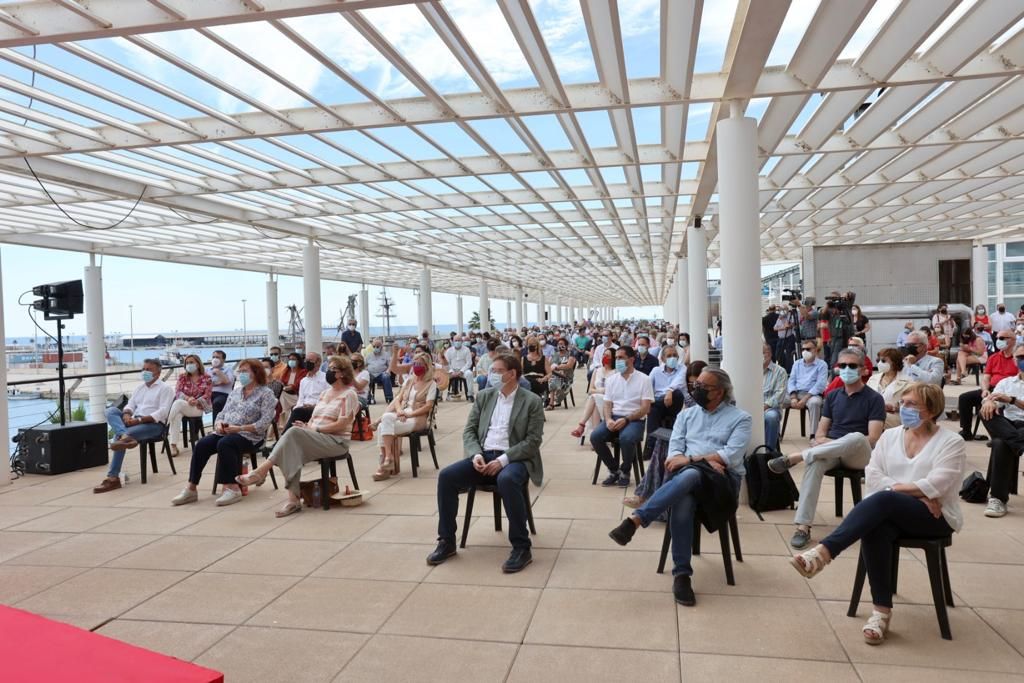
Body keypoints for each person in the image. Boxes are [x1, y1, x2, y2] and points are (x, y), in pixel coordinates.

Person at [789, 383, 966, 645]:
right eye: (902, 402)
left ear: (930, 410)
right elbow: (872, 475)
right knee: (876, 525)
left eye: (911, 404)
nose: (902, 408)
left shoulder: (952, 442)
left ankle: (824, 553)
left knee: (883, 501)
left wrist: (899, 491)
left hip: (934, 518)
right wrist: (915, 492)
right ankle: (881, 612)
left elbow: (940, 483)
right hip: (895, 510)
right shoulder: (891, 436)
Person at [608, 368, 751, 606]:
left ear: (719, 392)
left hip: (722, 484)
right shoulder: (686, 416)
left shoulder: (741, 418)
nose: (696, 390)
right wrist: (704, 460)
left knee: (691, 474)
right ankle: (682, 575)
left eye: (703, 387)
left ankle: (636, 521)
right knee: (686, 493)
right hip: (689, 476)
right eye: (695, 385)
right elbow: (674, 450)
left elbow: (731, 456)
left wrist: (692, 459)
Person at [427, 353, 545, 573]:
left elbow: (533, 441)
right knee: (447, 477)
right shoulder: (484, 397)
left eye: (497, 371)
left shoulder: (532, 401)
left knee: (507, 479)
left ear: (512, 374)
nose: (492, 374)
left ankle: (522, 547)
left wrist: (503, 460)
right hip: (483, 456)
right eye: (492, 370)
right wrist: (475, 455)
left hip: (514, 458)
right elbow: (470, 431)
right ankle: (447, 541)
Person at [769, 347, 886, 549]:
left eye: (852, 366)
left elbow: (872, 438)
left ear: (863, 369)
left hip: (858, 453)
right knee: (814, 462)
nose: (846, 369)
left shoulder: (874, 399)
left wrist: (828, 443)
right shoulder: (832, 396)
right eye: (843, 366)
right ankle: (803, 527)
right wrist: (827, 443)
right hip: (831, 450)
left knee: (856, 437)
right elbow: (821, 433)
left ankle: (797, 456)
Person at [237, 355, 360, 517]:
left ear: (342, 374)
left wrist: (315, 430)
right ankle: (292, 500)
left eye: (332, 369)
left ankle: (261, 472)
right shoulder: (324, 393)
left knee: (293, 434)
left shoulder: (349, 394)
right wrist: (308, 427)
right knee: (292, 446)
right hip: (318, 436)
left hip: (336, 441)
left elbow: (342, 424)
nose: (328, 372)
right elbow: (316, 420)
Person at [171, 359, 277, 506]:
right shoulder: (235, 392)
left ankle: (232, 489)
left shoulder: (266, 394)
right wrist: (218, 424)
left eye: (245, 371)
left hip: (250, 436)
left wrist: (239, 428)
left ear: (256, 373)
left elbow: (264, 423)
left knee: (225, 444)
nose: (241, 374)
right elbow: (222, 413)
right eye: (240, 371)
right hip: (226, 431)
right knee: (202, 444)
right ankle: (191, 488)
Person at [93, 359, 174, 494]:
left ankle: (113, 477)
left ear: (158, 373)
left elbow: (163, 412)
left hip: (154, 425)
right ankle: (124, 434)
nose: (145, 372)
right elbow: (130, 405)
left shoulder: (165, 389)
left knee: (119, 438)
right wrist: (126, 415)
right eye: (144, 369)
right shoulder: (139, 388)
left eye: (149, 370)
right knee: (110, 411)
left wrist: (139, 420)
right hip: (134, 421)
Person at [591, 345, 654, 488]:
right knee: (595, 437)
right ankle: (614, 470)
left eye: (621, 358)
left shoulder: (644, 379)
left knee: (627, 438)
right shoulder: (612, 380)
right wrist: (608, 419)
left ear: (631, 359)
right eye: (616, 358)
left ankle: (625, 471)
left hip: (635, 419)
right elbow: (607, 404)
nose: (617, 360)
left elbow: (645, 408)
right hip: (614, 416)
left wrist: (626, 419)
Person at [371, 352, 438, 481]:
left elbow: (428, 406)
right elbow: (397, 399)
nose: (416, 366)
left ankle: (384, 464)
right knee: (383, 423)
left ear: (427, 366)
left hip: (418, 418)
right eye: (415, 363)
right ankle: (388, 459)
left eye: (420, 364)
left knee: (383, 424)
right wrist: (400, 411)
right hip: (403, 415)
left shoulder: (431, 384)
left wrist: (409, 414)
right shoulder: (410, 380)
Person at [977, 344, 1024, 518]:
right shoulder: (1006, 382)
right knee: (986, 413)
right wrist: (989, 402)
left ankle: (997, 498)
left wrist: (1012, 400)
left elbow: (1009, 400)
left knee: (1000, 443)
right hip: (1009, 425)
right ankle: (1019, 445)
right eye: (1019, 357)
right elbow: (992, 400)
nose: (1022, 361)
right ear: (1014, 359)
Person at [957, 328, 1017, 441]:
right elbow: (986, 377)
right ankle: (966, 431)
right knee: (964, 398)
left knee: (994, 407)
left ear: (1013, 340)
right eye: (998, 338)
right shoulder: (993, 357)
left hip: (1008, 391)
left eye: (1002, 338)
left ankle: (999, 436)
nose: (999, 340)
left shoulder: (1018, 358)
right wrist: (985, 389)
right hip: (991, 389)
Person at [167, 354, 212, 456]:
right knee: (177, 415)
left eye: (191, 362)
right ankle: (173, 446)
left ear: (198, 363)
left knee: (178, 404)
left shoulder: (207, 378)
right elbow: (178, 392)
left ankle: (165, 423)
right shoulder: (182, 377)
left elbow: (208, 395)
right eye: (187, 363)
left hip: (197, 408)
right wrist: (188, 398)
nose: (189, 364)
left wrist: (197, 401)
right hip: (185, 405)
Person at [786, 339, 828, 440]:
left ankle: (813, 435)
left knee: (815, 403)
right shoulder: (797, 363)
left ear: (815, 350)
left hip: (812, 395)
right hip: (796, 393)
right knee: (777, 400)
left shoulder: (822, 365)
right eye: (803, 349)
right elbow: (791, 381)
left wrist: (804, 399)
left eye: (808, 349)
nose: (805, 351)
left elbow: (820, 385)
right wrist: (793, 397)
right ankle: (776, 433)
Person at [571, 347, 616, 439]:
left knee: (594, 398)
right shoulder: (597, 370)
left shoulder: (616, 373)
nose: (605, 356)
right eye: (604, 354)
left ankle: (582, 426)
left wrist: (603, 392)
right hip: (597, 398)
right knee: (595, 399)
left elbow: (615, 391)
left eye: (607, 355)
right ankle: (595, 436)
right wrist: (601, 391)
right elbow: (590, 390)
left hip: (609, 401)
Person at [647, 345, 686, 437]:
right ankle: (651, 444)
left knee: (677, 393)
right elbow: (647, 386)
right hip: (658, 406)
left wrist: (669, 391)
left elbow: (679, 382)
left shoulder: (682, 368)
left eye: (674, 355)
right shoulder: (656, 370)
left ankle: (654, 403)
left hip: (673, 405)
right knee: (653, 409)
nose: (672, 358)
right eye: (669, 356)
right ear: (663, 359)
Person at [868, 348, 911, 430]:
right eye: (878, 360)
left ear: (894, 362)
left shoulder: (908, 381)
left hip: (894, 420)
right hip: (871, 417)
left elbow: (912, 405)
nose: (879, 363)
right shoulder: (873, 379)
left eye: (883, 361)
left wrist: (894, 407)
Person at [287, 351, 327, 430]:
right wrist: (297, 407)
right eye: (306, 360)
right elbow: (300, 399)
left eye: (310, 360)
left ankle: (282, 438)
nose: (307, 362)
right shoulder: (304, 381)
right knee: (296, 411)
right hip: (303, 408)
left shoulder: (325, 378)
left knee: (297, 412)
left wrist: (314, 405)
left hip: (317, 408)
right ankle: (285, 438)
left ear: (318, 363)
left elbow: (327, 398)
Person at [763, 342, 789, 449]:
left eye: (763, 352)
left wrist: (764, 407)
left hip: (770, 408)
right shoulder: (750, 371)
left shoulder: (780, 371)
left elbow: (780, 395)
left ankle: (769, 452)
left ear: (769, 354)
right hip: (752, 407)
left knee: (771, 417)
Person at [546, 339, 576, 409]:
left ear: (566, 345)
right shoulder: (555, 354)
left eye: (562, 344)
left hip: (567, 377)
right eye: (559, 344)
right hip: (556, 375)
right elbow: (550, 366)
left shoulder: (570, 354)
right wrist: (558, 369)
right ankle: (550, 401)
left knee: (552, 380)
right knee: (549, 379)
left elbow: (569, 366)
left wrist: (557, 367)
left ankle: (551, 403)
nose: (560, 346)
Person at [276, 351, 307, 422]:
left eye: (293, 359)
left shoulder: (303, 371)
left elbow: (298, 384)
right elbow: (281, 381)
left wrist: (290, 387)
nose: (291, 361)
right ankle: (285, 413)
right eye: (290, 359)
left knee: (281, 394)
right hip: (286, 393)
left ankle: (284, 413)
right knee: (281, 394)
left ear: (298, 361)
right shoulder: (287, 370)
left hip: (296, 394)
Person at [444, 335, 474, 401]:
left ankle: (470, 395)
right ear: (453, 341)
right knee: (441, 375)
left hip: (463, 371)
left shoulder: (466, 350)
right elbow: (446, 363)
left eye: (459, 340)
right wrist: (451, 371)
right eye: (456, 340)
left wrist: (461, 371)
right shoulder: (449, 351)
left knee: (469, 374)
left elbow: (469, 363)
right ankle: (438, 396)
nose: (457, 342)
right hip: (452, 371)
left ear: (462, 341)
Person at [363, 339, 393, 403]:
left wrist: (388, 371)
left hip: (381, 374)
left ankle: (389, 397)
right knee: (365, 376)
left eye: (377, 346)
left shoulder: (386, 355)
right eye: (374, 346)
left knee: (386, 376)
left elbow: (390, 365)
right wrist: (365, 370)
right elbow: (363, 365)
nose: (375, 348)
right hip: (370, 374)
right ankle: (369, 398)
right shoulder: (368, 355)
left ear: (381, 347)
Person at [208, 349, 234, 420]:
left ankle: (215, 428)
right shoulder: (207, 370)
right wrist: (219, 382)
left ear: (223, 360)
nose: (215, 359)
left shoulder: (228, 369)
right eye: (213, 357)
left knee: (217, 403)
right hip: (208, 394)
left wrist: (218, 372)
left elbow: (227, 381)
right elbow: (205, 383)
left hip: (223, 395)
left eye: (217, 357)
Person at [773, 302, 799, 373]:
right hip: (780, 338)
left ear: (787, 309)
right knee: (778, 354)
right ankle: (781, 368)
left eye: (783, 309)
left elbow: (793, 324)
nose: (781, 311)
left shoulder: (790, 316)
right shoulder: (779, 318)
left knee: (789, 355)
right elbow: (775, 328)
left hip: (788, 338)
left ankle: (789, 371)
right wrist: (783, 327)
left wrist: (787, 325)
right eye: (780, 309)